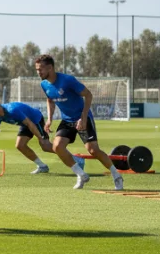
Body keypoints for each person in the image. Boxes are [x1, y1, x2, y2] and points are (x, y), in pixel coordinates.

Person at [36, 54, 125, 191]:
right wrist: (49, 119)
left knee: (93, 150)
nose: (38, 72)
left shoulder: (67, 80)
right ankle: (81, 175)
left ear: (50, 68)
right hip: (67, 120)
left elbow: (88, 95)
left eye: (40, 69)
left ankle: (116, 175)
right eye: (37, 69)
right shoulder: (44, 84)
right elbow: (50, 100)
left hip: (82, 117)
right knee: (57, 146)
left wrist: (83, 118)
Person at [0, 99, 55, 174]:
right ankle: (42, 166)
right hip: (25, 123)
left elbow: (30, 123)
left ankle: (60, 150)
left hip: (35, 120)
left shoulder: (12, 110)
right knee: (20, 145)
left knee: (45, 146)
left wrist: (40, 138)